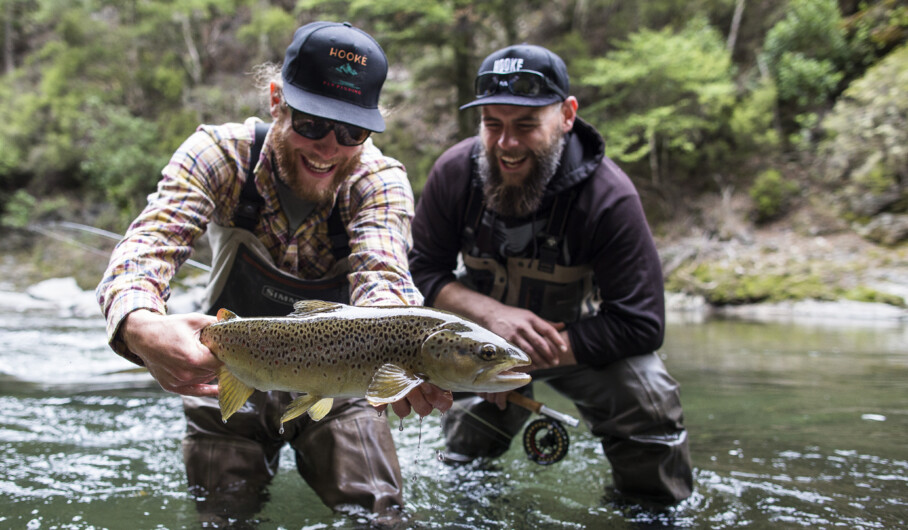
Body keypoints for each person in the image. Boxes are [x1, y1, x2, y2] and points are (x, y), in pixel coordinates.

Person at [96, 21, 450, 523]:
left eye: (351, 131)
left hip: (341, 383)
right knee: (223, 519)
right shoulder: (219, 155)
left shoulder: (379, 181)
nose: (328, 147)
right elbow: (147, 248)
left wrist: (413, 353)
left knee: (379, 518)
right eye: (311, 122)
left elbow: (385, 284)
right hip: (225, 376)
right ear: (276, 100)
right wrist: (140, 324)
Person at [409, 43, 694, 505]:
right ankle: (467, 494)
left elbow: (643, 323)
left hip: (571, 341)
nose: (507, 143)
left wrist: (524, 359)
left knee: (647, 392)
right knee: (467, 456)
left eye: (525, 125)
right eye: (492, 125)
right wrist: (491, 318)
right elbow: (421, 270)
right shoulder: (453, 175)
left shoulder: (609, 198)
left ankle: (652, 508)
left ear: (566, 115)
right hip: (480, 343)